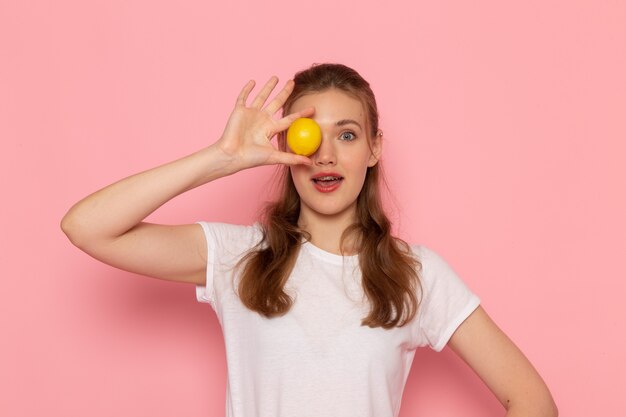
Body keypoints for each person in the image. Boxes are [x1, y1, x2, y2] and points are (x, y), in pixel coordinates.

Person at [61, 63, 557, 417]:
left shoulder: (417, 275)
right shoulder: (239, 257)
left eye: (346, 135)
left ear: (373, 149)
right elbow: (86, 227)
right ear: (283, 147)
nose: (324, 155)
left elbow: (533, 402)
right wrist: (222, 157)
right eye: (306, 135)